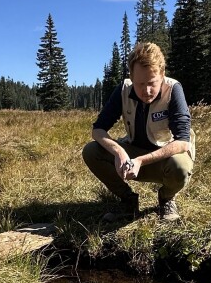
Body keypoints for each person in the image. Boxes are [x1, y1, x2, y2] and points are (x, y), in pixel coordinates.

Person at [82, 42, 195, 221]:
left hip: (165, 159)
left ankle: (166, 199)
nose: (146, 91)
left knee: (181, 167)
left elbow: (182, 142)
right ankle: (127, 201)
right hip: (132, 152)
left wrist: (141, 161)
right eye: (140, 83)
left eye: (152, 83)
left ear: (162, 75)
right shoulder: (123, 90)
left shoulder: (173, 89)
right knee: (91, 151)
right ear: (131, 77)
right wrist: (119, 152)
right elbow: (98, 130)